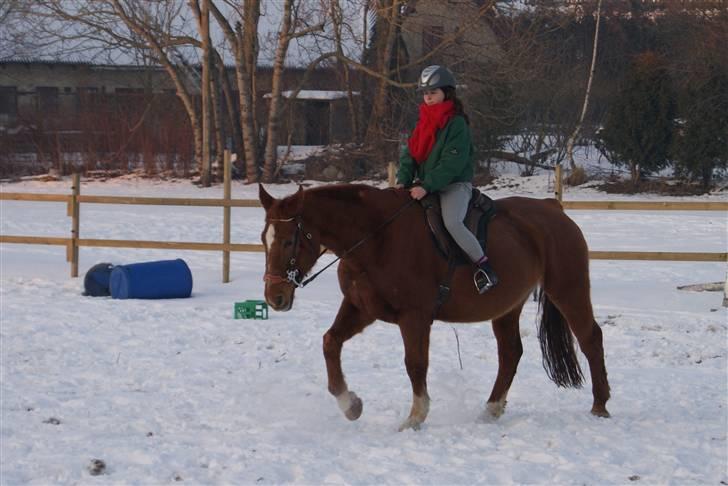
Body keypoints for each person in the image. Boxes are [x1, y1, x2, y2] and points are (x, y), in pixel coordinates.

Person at [396, 65, 498, 294]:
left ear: (446, 93)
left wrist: (426, 185)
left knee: (452, 222)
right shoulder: (423, 122)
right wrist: (403, 180)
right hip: (425, 185)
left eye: (433, 92)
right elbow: (409, 155)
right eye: (425, 93)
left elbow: (451, 164)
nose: (428, 97)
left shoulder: (457, 124)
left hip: (454, 185)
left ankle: (484, 267)